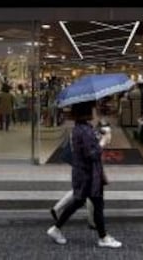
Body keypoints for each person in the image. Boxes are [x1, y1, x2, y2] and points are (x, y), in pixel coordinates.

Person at [47, 101, 122, 248]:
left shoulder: (81, 128)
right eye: (94, 109)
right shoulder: (84, 131)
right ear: (88, 111)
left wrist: (99, 133)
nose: (96, 112)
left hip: (83, 174)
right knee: (97, 204)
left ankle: (56, 229)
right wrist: (103, 142)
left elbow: (87, 144)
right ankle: (103, 238)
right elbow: (92, 154)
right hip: (89, 175)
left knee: (79, 202)